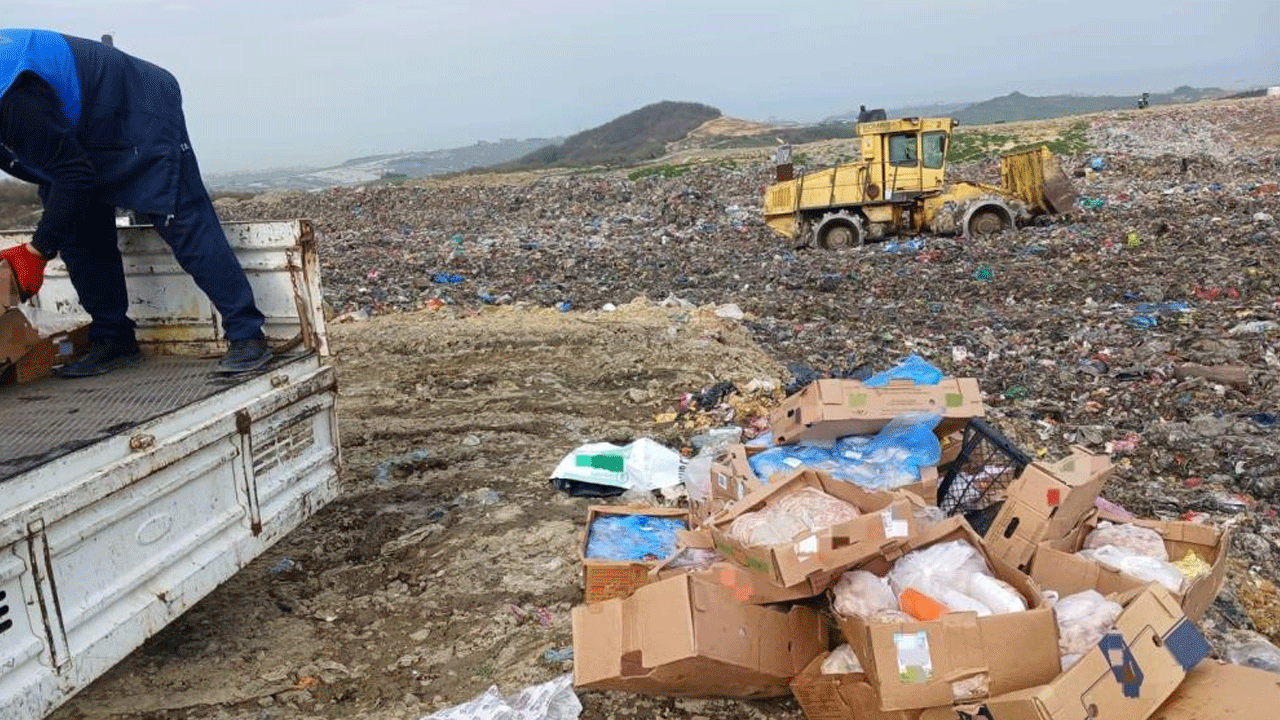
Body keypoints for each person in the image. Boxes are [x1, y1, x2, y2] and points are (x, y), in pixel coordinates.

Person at [0, 28, 270, 376]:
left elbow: (73, 174)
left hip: (131, 103)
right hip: (72, 122)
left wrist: (37, 252)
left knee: (179, 218)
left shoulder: (10, 95)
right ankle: (113, 339)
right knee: (77, 231)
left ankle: (247, 333)